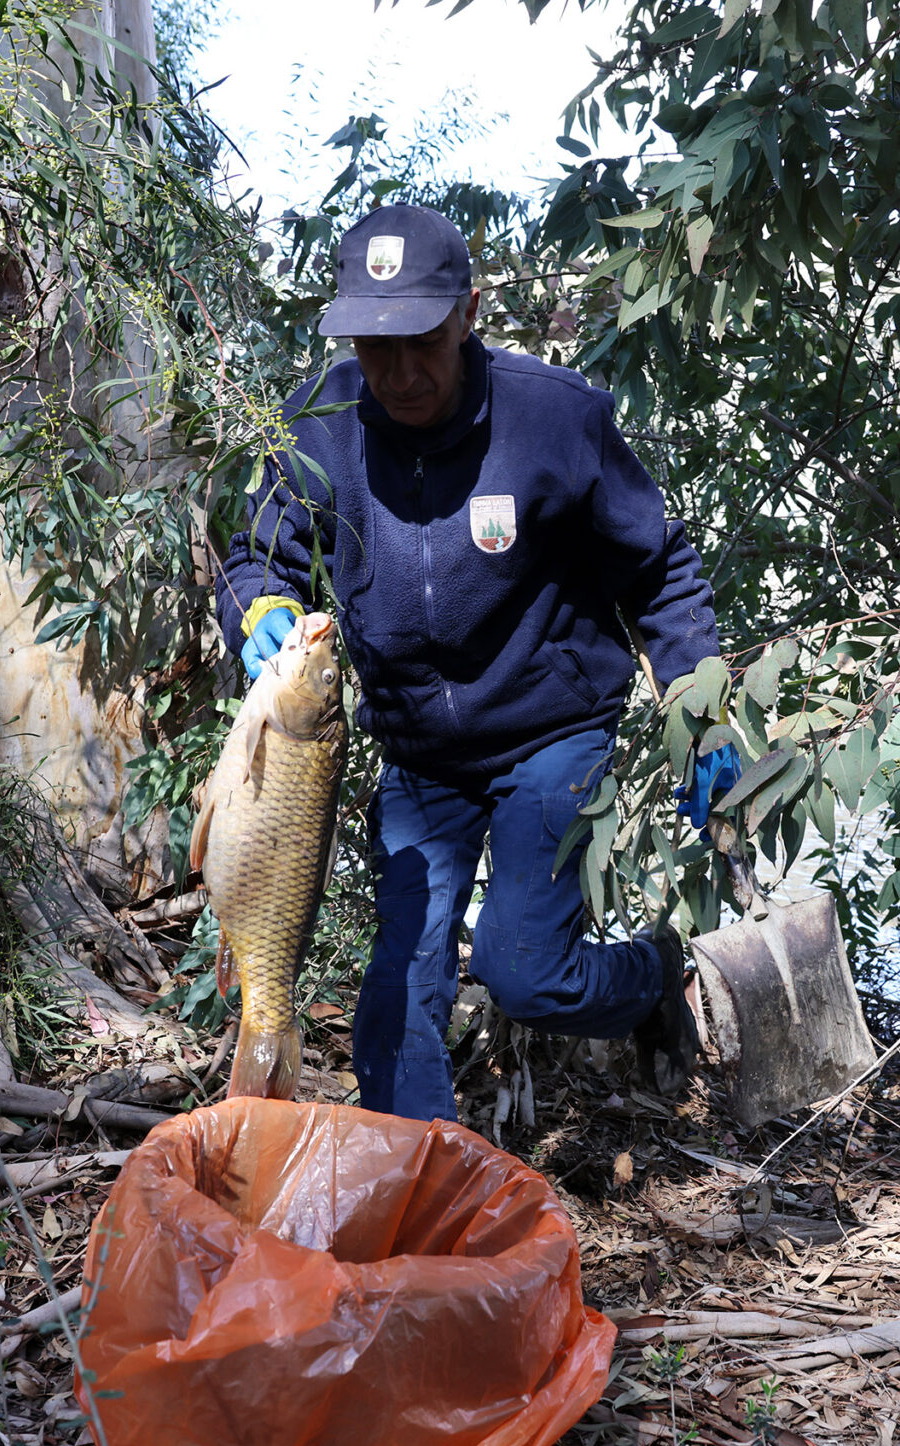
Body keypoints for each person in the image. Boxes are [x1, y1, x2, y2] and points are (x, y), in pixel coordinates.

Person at [217, 204, 741, 1123]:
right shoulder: (326, 421)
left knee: (527, 974)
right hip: (420, 752)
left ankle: (659, 976)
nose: (400, 373)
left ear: (468, 312)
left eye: (421, 340)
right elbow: (259, 555)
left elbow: (656, 566)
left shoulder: (554, 420)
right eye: (375, 347)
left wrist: (698, 708)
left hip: (551, 730)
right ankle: (425, 1200)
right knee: (392, 1004)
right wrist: (260, 608)